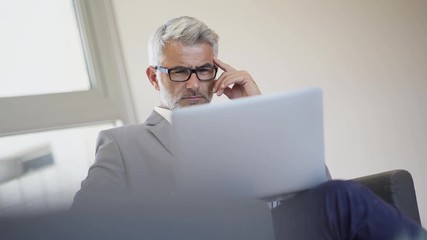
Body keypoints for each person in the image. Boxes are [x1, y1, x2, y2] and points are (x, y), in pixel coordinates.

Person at [72, 16, 426, 239]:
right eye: (180, 71)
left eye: (204, 70)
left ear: (217, 71)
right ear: (154, 77)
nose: (194, 84)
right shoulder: (123, 143)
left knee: (342, 196)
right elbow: (83, 223)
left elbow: (319, 182)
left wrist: (255, 109)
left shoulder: (245, 126)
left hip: (274, 230)